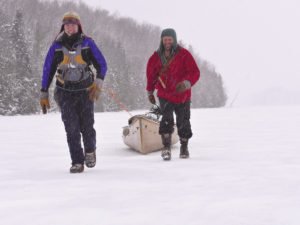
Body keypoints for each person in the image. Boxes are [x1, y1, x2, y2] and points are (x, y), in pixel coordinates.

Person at [40, 12, 107, 173]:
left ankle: (90, 151)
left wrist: (98, 83)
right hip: (64, 93)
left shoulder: (88, 43)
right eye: (67, 24)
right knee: (71, 128)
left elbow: (102, 64)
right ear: (63, 27)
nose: (70, 27)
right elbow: (47, 69)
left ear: (78, 26)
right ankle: (77, 161)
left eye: (73, 24)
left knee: (87, 126)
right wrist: (44, 91)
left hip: (86, 91)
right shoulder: (56, 46)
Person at [146, 28, 200, 161]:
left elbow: (195, 72)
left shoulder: (184, 54)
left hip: (182, 95)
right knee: (166, 119)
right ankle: (166, 148)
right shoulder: (155, 57)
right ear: (161, 40)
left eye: (170, 39)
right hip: (165, 94)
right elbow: (151, 75)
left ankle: (184, 147)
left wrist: (186, 83)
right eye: (165, 39)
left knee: (183, 121)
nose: (167, 42)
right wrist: (150, 91)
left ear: (174, 40)